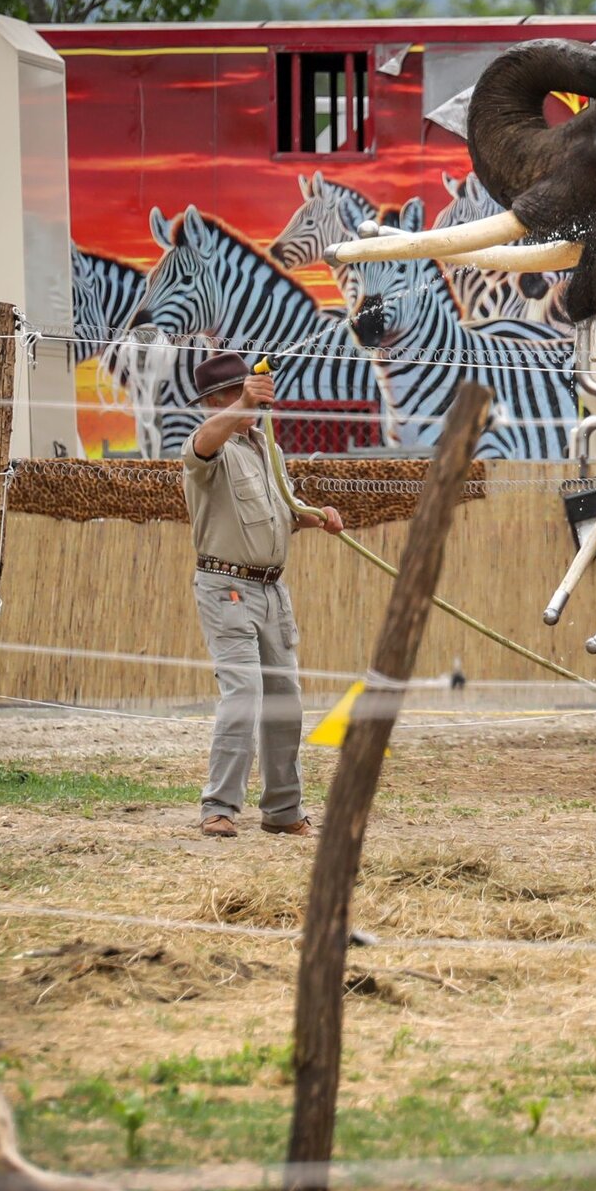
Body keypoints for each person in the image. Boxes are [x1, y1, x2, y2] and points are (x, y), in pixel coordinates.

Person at [182, 352, 343, 839]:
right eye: (236, 393)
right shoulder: (212, 446)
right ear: (214, 401)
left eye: (248, 391)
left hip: (272, 590)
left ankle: (283, 811)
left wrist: (320, 516)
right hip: (226, 588)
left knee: (284, 701)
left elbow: (286, 511)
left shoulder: (264, 449)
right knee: (244, 695)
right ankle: (219, 807)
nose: (251, 400)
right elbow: (200, 446)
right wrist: (241, 407)